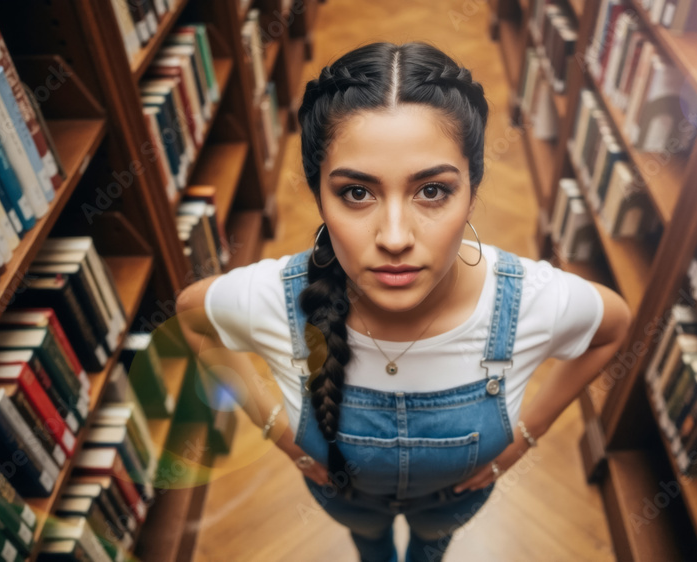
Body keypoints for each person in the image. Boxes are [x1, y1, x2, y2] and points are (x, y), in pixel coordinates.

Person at [176, 41, 632, 562]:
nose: (394, 237)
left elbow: (614, 325)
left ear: (472, 189)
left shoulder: (529, 301)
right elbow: (193, 315)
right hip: (344, 501)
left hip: (452, 505)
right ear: (318, 193)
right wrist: (276, 431)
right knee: (370, 549)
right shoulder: (274, 300)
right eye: (356, 193)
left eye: (432, 191)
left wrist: (527, 435)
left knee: (430, 551)